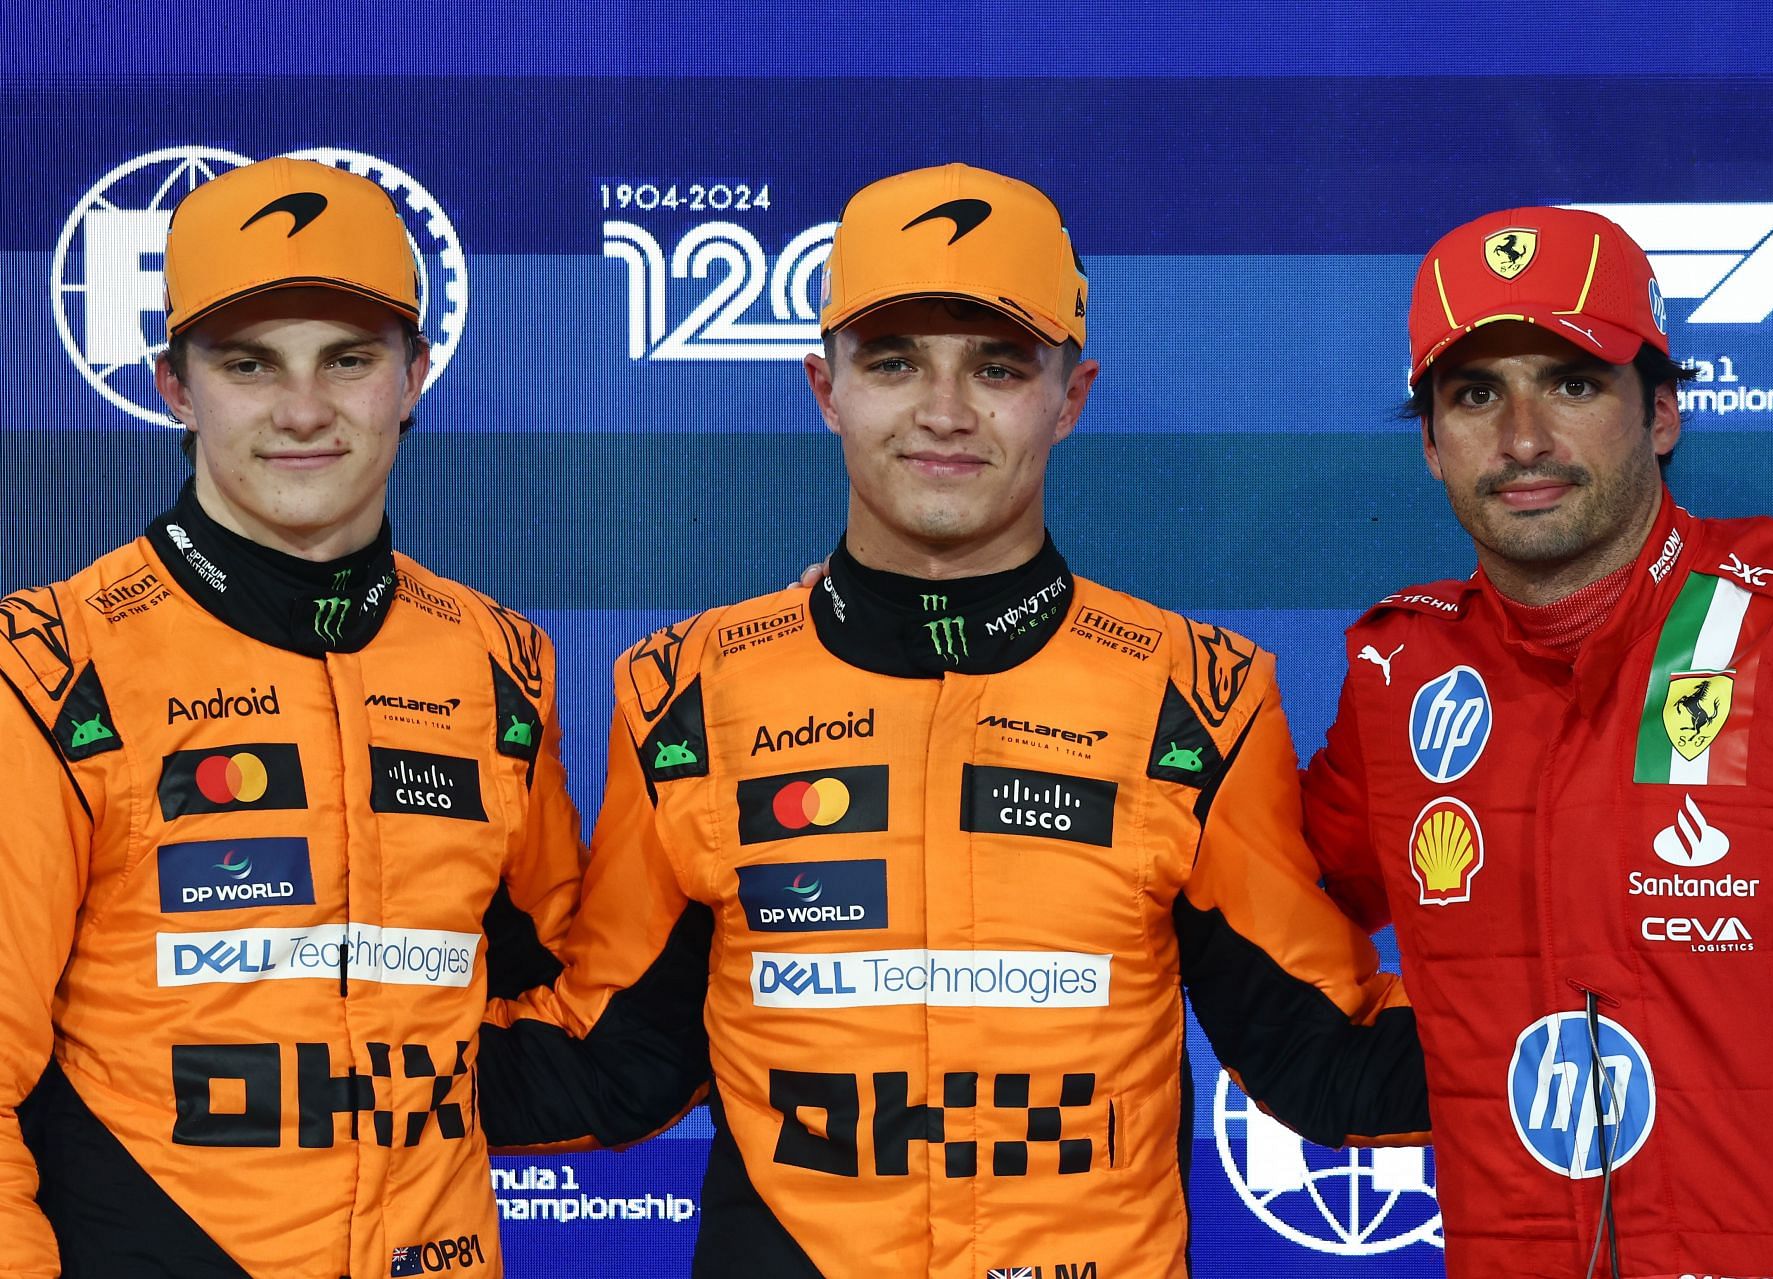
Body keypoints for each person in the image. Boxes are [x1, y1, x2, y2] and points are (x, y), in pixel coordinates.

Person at [479, 162, 1428, 1277]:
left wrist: (1656, 1012)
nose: (944, 411)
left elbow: (1321, 1054)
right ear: (824, 388)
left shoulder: (1199, 693)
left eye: (998, 366)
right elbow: (610, 1062)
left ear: (1071, 399)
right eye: (893, 363)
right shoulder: (685, 688)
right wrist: (258, 1044)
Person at [1303, 206, 1773, 1277]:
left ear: (1664, 413)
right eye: (1476, 394)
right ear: (1432, 447)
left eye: (1574, 383)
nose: (1525, 437)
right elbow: (1255, 905)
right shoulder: (1401, 683)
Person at [0, 157, 583, 1278]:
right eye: (249, 364)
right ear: (175, 386)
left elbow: (580, 999)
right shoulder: (52, 664)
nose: (304, 409)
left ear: (413, 376)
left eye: (349, 360)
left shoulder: (499, 662)